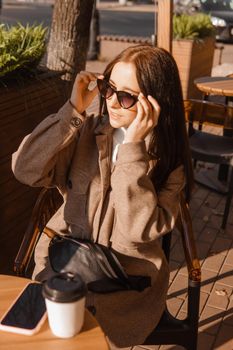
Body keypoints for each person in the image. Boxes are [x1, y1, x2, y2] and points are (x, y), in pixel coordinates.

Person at [12, 44, 193, 348]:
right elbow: (24, 169)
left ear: (156, 102)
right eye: (108, 88)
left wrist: (133, 149)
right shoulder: (86, 131)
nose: (112, 103)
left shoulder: (169, 161)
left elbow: (140, 230)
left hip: (123, 289)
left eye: (126, 97)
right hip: (64, 268)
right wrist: (72, 110)